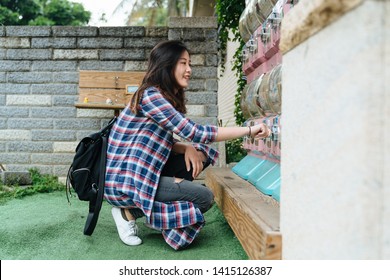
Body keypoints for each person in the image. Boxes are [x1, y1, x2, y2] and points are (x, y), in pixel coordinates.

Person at [104, 40, 270, 250]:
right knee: (203, 198)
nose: (189, 69)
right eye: (183, 63)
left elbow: (159, 142)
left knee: (200, 154)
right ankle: (127, 212)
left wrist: (188, 148)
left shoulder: (159, 96)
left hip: (143, 174)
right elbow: (195, 132)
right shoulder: (151, 96)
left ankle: (151, 212)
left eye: (189, 63)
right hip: (127, 182)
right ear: (167, 65)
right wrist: (249, 129)